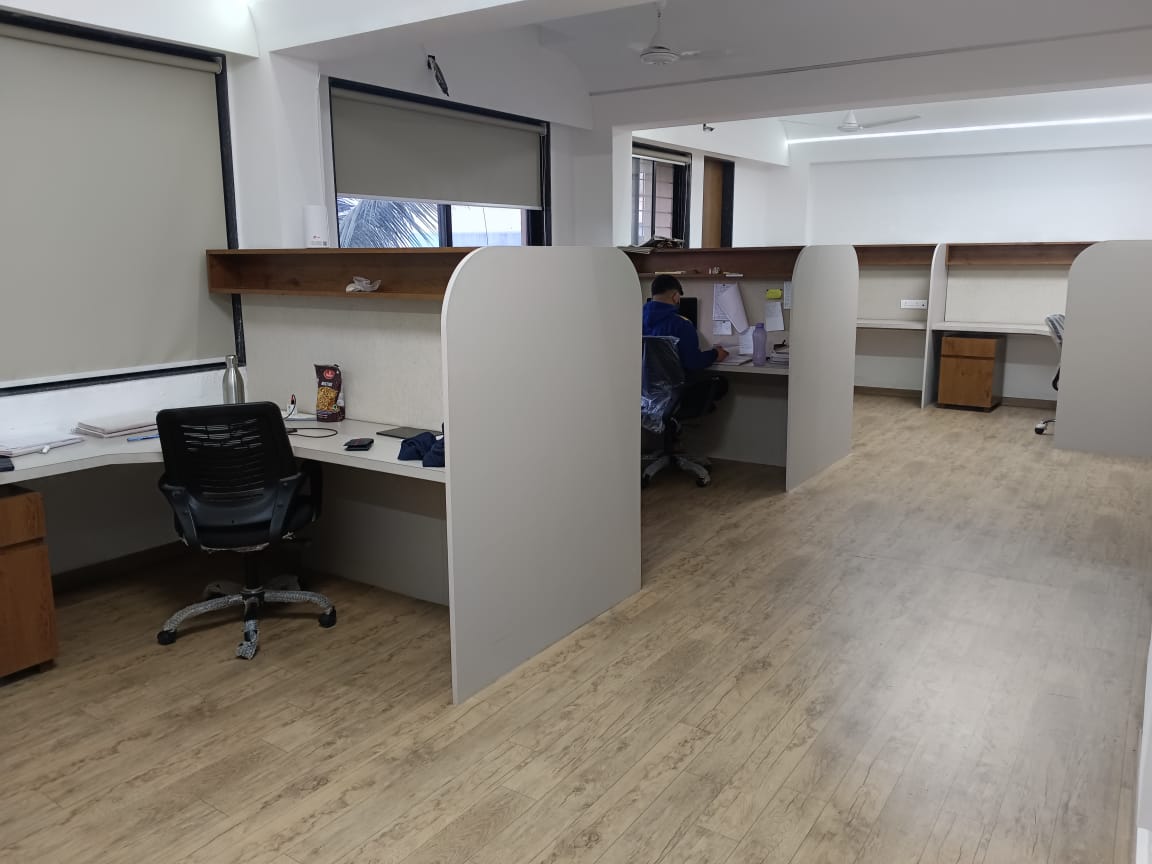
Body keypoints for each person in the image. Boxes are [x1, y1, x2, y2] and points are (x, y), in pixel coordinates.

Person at [642, 274, 729, 414]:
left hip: (644, 397)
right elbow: (693, 362)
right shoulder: (681, 325)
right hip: (673, 397)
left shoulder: (636, 321)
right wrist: (715, 354)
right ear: (676, 297)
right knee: (722, 383)